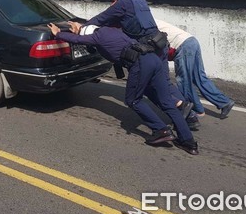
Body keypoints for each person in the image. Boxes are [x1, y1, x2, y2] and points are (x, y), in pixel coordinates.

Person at [48, 22, 198, 155]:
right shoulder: (110, 30)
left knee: (133, 100)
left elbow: (78, 39)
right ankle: (189, 143)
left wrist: (58, 33)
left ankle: (161, 130)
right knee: (167, 102)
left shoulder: (96, 37)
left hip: (141, 65)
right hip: (154, 60)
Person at [84, 0, 199, 128]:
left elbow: (100, 20)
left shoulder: (121, 4)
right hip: (160, 44)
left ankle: (177, 109)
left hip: (147, 50)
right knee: (164, 82)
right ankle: (189, 117)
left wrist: (81, 27)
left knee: (149, 85)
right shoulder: (140, 0)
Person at [156, 19, 235, 119]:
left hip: (182, 46)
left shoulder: (146, 25)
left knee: (184, 81)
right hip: (191, 41)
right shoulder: (150, 20)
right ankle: (225, 103)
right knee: (199, 77)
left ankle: (196, 110)